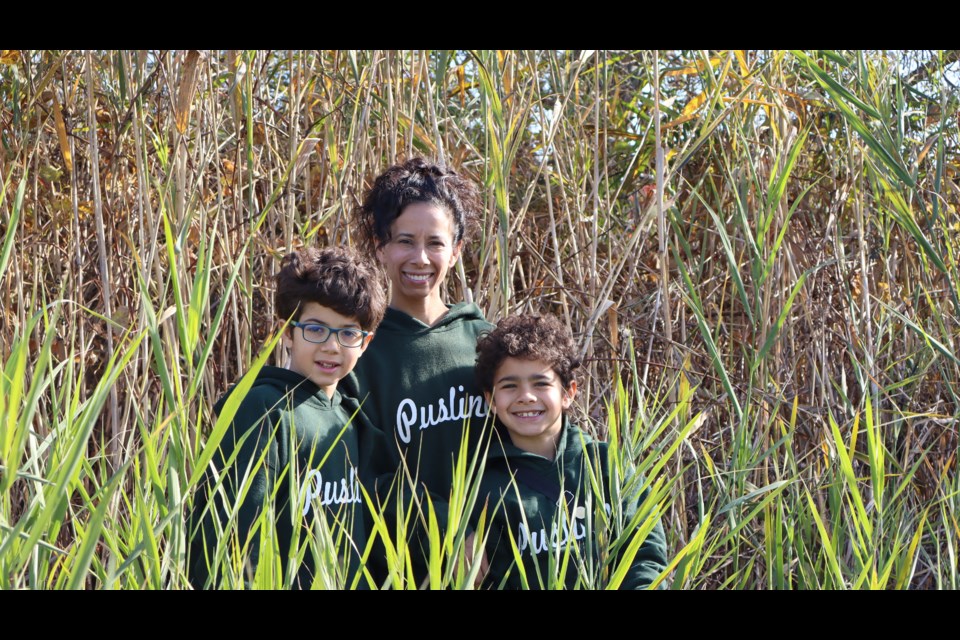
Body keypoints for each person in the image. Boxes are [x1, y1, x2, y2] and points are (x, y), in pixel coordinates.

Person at [188, 246, 388, 589]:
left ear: (365, 343)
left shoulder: (347, 417)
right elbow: (228, 539)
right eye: (316, 329)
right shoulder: (264, 410)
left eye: (347, 333)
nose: (331, 346)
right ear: (288, 332)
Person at [342, 158, 494, 572]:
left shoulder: (487, 343)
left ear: (457, 248)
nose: (420, 258)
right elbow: (358, 480)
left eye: (436, 243)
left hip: (494, 564)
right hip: (401, 568)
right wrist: (451, 529)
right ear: (381, 246)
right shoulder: (355, 352)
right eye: (405, 241)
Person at [472, 314, 668, 589]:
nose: (526, 396)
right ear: (491, 400)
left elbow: (646, 556)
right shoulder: (488, 489)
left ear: (568, 393)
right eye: (510, 386)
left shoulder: (607, 464)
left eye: (541, 383)